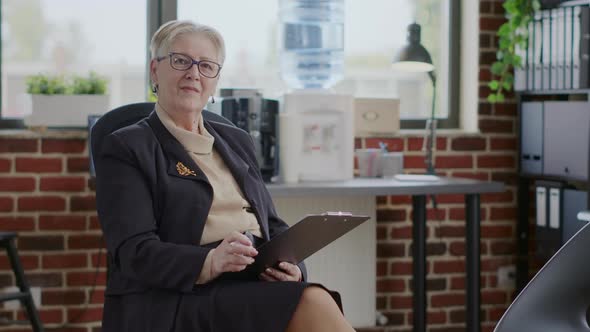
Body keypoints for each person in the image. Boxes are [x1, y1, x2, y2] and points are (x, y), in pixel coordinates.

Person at [94, 20, 356, 332]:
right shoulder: (126, 147)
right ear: (155, 70)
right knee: (312, 302)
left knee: (307, 296)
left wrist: (294, 268)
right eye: (180, 61)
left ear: (215, 80)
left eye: (206, 66)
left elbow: (272, 225)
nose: (194, 73)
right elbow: (134, 252)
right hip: (180, 294)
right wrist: (211, 262)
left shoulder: (236, 140)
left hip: (250, 279)